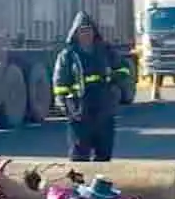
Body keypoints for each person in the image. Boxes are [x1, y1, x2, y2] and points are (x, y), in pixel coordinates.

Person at [53, 11, 127, 162]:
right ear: (75, 33)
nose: (86, 34)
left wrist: (115, 84)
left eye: (88, 30)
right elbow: (60, 83)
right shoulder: (68, 55)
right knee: (79, 155)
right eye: (82, 31)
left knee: (104, 153)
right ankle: (80, 185)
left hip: (104, 108)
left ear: (94, 31)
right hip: (80, 110)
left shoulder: (106, 50)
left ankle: (100, 185)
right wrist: (65, 104)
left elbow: (123, 69)